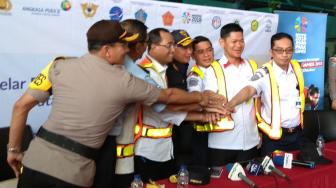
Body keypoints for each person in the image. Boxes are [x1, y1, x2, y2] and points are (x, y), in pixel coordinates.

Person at [7, 20, 226, 188]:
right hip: (72, 172)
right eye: (123, 45)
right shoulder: (125, 81)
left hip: (34, 161)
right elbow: (166, 98)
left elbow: (20, 107)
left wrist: (14, 150)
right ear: (106, 50)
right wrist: (202, 98)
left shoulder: (59, 65)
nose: (128, 50)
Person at [134, 28, 220, 182]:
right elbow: (164, 109)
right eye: (169, 46)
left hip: (164, 149)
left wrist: (203, 111)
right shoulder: (146, 73)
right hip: (147, 150)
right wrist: (202, 107)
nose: (173, 50)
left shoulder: (162, 70)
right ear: (153, 46)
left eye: (174, 46)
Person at [93, 19, 155, 188]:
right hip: (108, 149)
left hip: (106, 150)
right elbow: (163, 102)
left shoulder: (96, 66)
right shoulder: (134, 75)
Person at [226, 32, 305, 156]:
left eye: (288, 50)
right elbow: (249, 89)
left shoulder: (296, 68)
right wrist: (231, 104)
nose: (284, 55)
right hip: (275, 138)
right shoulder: (264, 72)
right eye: (279, 50)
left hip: (297, 134)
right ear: (271, 52)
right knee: (273, 173)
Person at [203, 23, 260, 167]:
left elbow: (255, 94)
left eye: (241, 41)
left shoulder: (252, 66)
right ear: (222, 42)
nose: (239, 45)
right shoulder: (212, 69)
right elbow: (208, 97)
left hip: (250, 141)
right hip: (222, 142)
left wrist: (260, 133)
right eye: (234, 41)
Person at [166, 29, 194, 166]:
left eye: (190, 47)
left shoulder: (183, 68)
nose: (189, 52)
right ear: (172, 48)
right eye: (184, 48)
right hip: (170, 145)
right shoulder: (165, 72)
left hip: (185, 141)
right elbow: (171, 108)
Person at [187, 36, 215, 166]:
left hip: (220, 133)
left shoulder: (216, 69)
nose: (206, 55)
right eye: (201, 52)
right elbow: (196, 100)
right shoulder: (195, 75)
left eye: (209, 50)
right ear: (193, 56)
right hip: (202, 134)